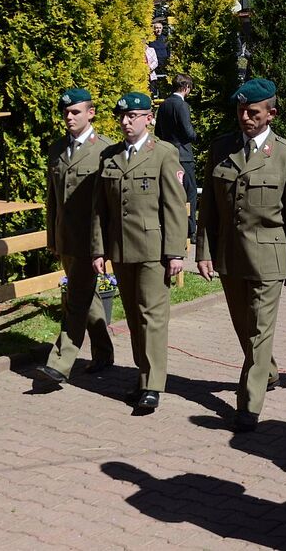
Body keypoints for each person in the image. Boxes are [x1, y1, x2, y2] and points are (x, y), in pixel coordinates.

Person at [196, 78, 286, 432]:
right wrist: (204, 252)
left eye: (253, 111)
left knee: (260, 330)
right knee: (245, 329)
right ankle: (269, 371)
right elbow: (209, 208)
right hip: (230, 257)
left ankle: (248, 404)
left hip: (269, 260)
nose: (245, 117)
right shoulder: (221, 149)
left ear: (271, 114)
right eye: (241, 110)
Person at [92, 92, 187, 411]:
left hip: (153, 250)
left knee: (153, 317)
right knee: (134, 317)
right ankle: (142, 375)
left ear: (148, 118)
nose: (125, 122)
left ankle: (153, 384)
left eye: (132, 116)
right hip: (120, 249)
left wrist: (176, 252)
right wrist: (99, 249)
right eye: (122, 116)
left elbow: (174, 206)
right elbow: (100, 210)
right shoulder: (109, 157)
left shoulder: (163, 153)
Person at [35, 88, 115, 384]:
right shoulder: (57, 149)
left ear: (91, 113)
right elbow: (52, 199)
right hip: (66, 238)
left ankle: (59, 363)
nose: (69, 117)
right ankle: (104, 352)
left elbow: (109, 204)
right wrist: (52, 236)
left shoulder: (105, 150)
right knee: (85, 294)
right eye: (66, 112)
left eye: (76, 112)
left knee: (76, 301)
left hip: (91, 241)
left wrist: (105, 245)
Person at [153, 74, 199, 240]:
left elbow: (158, 131)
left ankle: (169, 226)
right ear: (186, 87)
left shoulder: (164, 105)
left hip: (167, 154)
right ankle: (190, 230)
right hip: (184, 155)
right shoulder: (182, 105)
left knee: (169, 191)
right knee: (190, 192)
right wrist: (196, 137)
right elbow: (188, 132)